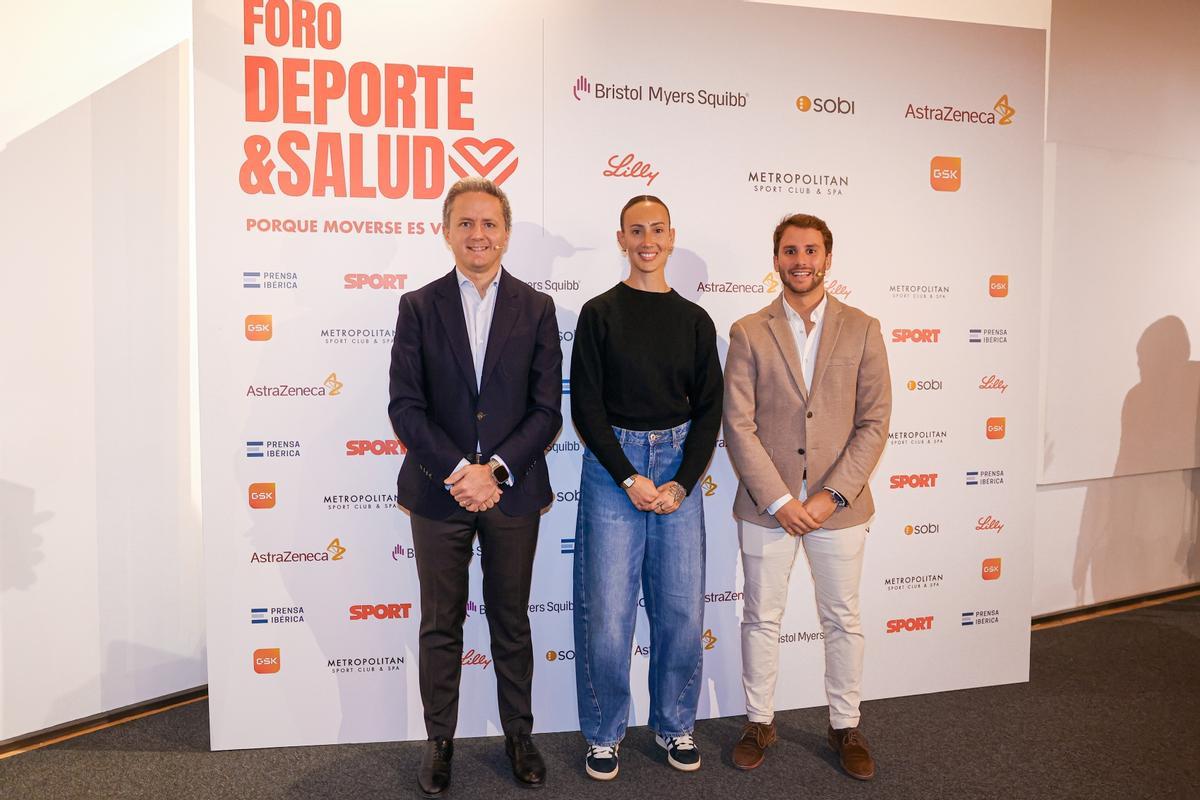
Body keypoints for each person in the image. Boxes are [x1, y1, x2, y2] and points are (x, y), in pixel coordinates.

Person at [388, 177, 563, 797]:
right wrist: (462, 471)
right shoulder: (417, 306)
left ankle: (520, 734)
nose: (478, 234)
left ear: (507, 234)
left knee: (511, 620)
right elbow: (405, 407)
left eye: (490, 223)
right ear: (446, 231)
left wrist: (497, 471)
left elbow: (547, 410)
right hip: (439, 493)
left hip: (513, 493)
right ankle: (440, 742)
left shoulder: (538, 309)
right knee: (441, 623)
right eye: (466, 222)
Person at [722, 213, 890, 780]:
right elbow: (737, 426)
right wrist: (778, 500)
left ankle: (845, 725)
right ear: (776, 259)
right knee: (760, 617)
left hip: (838, 510)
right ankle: (758, 721)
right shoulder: (748, 331)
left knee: (842, 618)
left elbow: (874, 421)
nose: (801, 261)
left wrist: (830, 497)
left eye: (811, 251)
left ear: (827, 259)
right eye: (790, 251)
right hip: (767, 508)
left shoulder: (864, 328)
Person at [569, 195, 723, 781]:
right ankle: (605, 732)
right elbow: (585, 405)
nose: (647, 240)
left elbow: (709, 410)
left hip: (679, 466)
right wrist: (629, 476)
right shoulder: (598, 313)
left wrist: (682, 482)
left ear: (671, 236)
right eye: (636, 230)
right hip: (615, 468)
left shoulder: (694, 320)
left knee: (681, 608)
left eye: (656, 229)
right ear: (621, 238)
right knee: (607, 611)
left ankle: (675, 724)